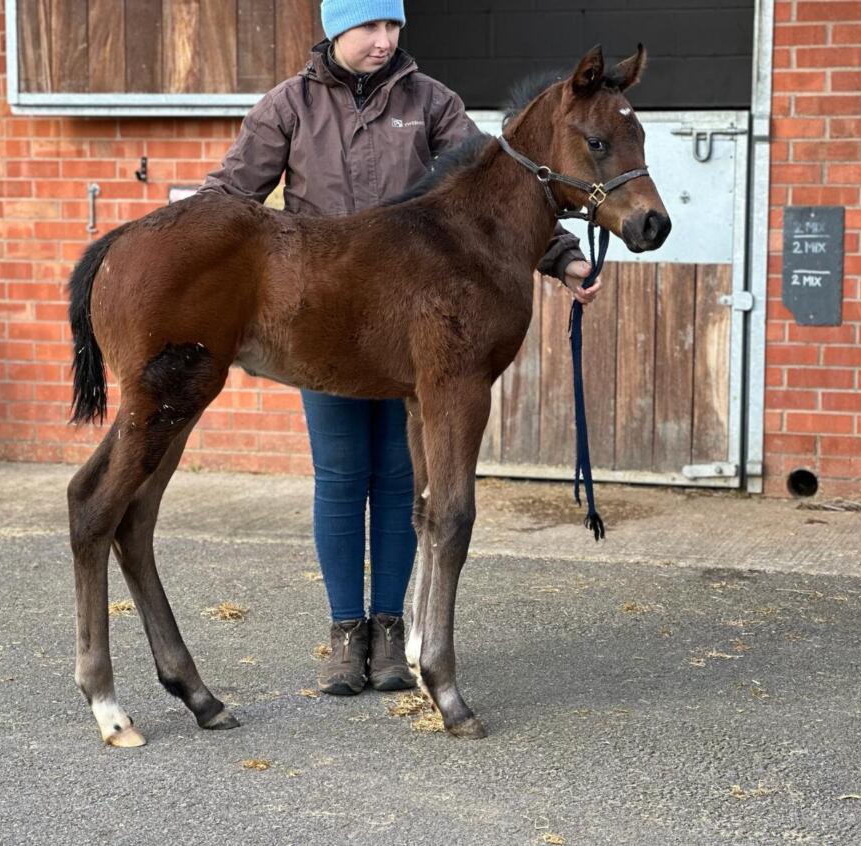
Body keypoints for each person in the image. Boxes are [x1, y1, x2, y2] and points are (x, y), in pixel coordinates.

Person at [198, 0, 600, 696]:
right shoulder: (287, 106)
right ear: (334, 29)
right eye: (368, 27)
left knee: (397, 479)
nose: (383, 41)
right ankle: (343, 629)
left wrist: (561, 255)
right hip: (325, 317)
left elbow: (505, 192)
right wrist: (178, 256)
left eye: (392, 26)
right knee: (339, 475)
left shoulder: (431, 102)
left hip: (413, 320)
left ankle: (390, 631)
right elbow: (230, 195)